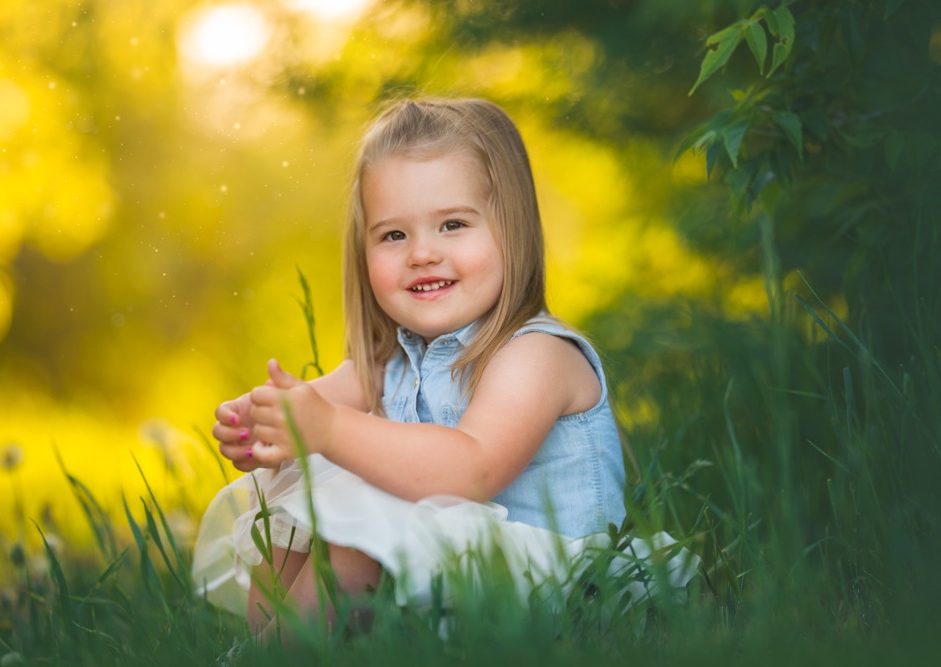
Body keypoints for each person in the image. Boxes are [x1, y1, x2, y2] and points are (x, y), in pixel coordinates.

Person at [191, 98, 692, 641]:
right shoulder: (388, 363)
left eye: (452, 224)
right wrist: (262, 423)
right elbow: (308, 406)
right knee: (296, 486)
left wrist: (329, 428)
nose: (422, 254)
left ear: (512, 229)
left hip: (563, 597)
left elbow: (472, 470)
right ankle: (266, 647)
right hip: (462, 582)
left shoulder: (536, 356)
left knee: (360, 519)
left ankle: (280, 654)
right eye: (393, 235)